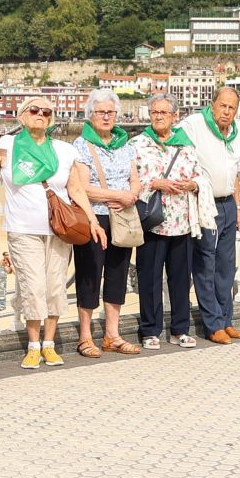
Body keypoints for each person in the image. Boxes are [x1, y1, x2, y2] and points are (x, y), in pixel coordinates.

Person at [0, 93, 100, 368]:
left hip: (59, 228)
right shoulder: (6, 145)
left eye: (46, 112)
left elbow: (75, 189)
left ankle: (49, 344)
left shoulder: (65, 150)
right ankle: (32, 345)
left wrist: (92, 219)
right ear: (22, 115)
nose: (40, 115)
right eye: (34, 110)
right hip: (22, 228)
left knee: (54, 287)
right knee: (33, 287)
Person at [130, 96, 212, 349]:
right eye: (154, 111)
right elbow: (129, 181)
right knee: (150, 278)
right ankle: (150, 330)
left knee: (180, 278)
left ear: (175, 116)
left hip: (183, 222)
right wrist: (155, 184)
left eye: (164, 112)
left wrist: (192, 184)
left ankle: (180, 329)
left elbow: (200, 176)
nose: (158, 116)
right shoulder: (137, 144)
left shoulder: (186, 146)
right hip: (152, 220)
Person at [70, 88, 144, 356]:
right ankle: (85, 336)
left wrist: (132, 195)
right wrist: (118, 195)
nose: (106, 117)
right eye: (100, 112)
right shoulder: (82, 145)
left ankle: (112, 334)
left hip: (123, 216)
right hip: (95, 216)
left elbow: (134, 178)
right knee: (90, 272)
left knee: (118, 273)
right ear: (90, 115)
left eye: (110, 112)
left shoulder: (125, 144)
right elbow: (82, 187)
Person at [177, 86, 240, 344]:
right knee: (205, 263)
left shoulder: (235, 135)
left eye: (232, 108)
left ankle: (226, 320)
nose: (227, 112)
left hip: (228, 203)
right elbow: (174, 147)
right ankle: (212, 323)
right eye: (223, 106)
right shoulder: (194, 124)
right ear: (213, 104)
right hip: (204, 204)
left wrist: (239, 209)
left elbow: (238, 175)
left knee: (226, 266)